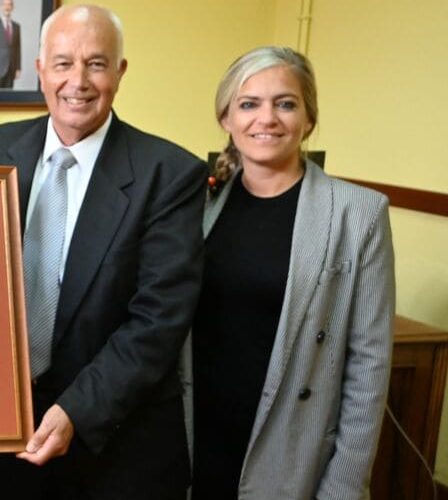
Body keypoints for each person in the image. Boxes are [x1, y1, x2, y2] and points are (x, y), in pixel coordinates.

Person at [0, 5, 206, 499]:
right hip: (2, 437)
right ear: (39, 70)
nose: (79, 81)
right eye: (63, 63)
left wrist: (79, 410)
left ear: (120, 72)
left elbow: (157, 321)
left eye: (96, 64)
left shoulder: (169, 173)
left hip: (115, 443)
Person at [187, 46, 394, 499]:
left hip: (290, 449)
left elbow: (369, 368)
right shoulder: (195, 202)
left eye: (285, 103)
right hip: (194, 434)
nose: (268, 118)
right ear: (226, 118)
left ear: (308, 119)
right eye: (249, 104)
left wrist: (343, 486)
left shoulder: (358, 213)